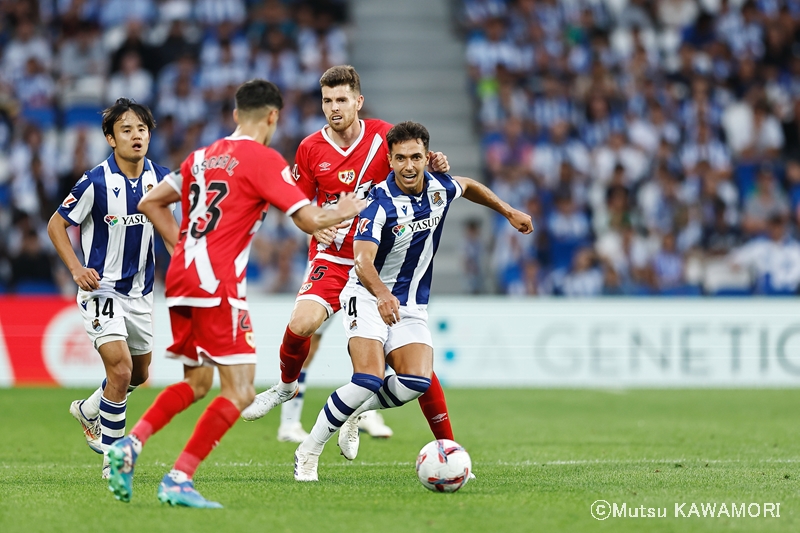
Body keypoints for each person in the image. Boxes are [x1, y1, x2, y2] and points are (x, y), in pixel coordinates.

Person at [105, 79, 365, 509]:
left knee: (198, 381)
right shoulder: (263, 160)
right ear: (273, 117)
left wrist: (183, 248)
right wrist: (346, 208)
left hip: (183, 280)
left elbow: (151, 202)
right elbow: (308, 218)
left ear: (233, 116)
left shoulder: (201, 156)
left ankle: (131, 445)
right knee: (242, 389)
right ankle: (178, 477)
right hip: (217, 283)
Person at [293, 121, 533, 481]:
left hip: (410, 305)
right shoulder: (378, 203)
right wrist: (383, 294)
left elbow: (468, 186)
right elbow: (361, 260)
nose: (409, 165)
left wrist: (508, 210)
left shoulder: (439, 188)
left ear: (427, 157)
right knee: (367, 379)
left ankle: (355, 413)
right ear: (389, 160)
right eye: (401, 158)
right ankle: (308, 451)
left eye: (416, 157)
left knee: (416, 382)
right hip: (366, 294)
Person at [240, 65, 456, 446]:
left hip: (378, 264)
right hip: (333, 259)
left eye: (341, 99)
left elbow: (414, 160)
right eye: (327, 100)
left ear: (358, 101)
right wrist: (311, 224)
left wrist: (435, 161)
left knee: (410, 361)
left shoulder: (382, 136)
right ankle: (284, 388)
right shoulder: (310, 148)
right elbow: (296, 202)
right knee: (303, 324)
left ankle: (444, 443)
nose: (334, 107)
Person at [46, 98, 174, 478]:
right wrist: (76, 268)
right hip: (100, 289)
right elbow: (56, 224)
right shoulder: (94, 181)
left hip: (141, 293)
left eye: (142, 129)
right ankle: (113, 461)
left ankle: (89, 409)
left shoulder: (162, 180)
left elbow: (171, 234)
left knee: (138, 373)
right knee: (118, 370)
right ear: (110, 138)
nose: (136, 136)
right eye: (126, 130)